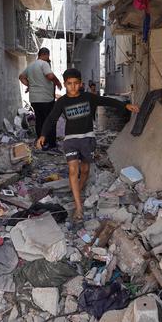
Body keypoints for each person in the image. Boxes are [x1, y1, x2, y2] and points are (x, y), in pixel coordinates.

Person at [36, 68, 140, 224]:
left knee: (85, 170)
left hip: (88, 139)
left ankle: (78, 188)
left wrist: (125, 106)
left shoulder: (88, 98)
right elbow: (51, 119)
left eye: (76, 83)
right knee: (73, 170)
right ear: (64, 84)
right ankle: (78, 206)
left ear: (81, 84)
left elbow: (107, 101)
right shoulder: (62, 102)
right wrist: (43, 135)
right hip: (70, 140)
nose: (73, 87)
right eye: (69, 84)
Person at [19, 47, 63, 150]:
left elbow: (21, 77)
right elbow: (50, 76)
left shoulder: (30, 66)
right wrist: (58, 82)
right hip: (46, 99)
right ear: (46, 55)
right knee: (50, 120)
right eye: (48, 56)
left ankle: (41, 142)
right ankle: (51, 144)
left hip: (34, 99)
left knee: (39, 120)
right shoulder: (44, 64)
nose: (48, 58)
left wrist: (30, 85)